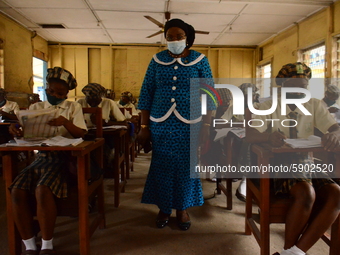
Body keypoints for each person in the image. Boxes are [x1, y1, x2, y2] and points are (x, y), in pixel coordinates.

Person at [245, 62, 340, 255]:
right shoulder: (268, 106)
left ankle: (293, 253)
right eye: (292, 86)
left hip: (307, 163)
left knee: (336, 193)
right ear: (282, 86)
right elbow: (250, 135)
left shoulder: (314, 104)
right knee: (306, 192)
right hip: (278, 164)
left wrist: (335, 134)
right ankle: (290, 249)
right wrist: (268, 137)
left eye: (303, 87)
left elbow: (334, 128)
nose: (298, 91)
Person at [137, 18, 214, 231]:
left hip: (191, 123)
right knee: (161, 164)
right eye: (170, 37)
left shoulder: (200, 60)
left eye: (179, 36)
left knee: (186, 166)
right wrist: (144, 128)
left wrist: (207, 126)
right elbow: (146, 93)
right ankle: (164, 208)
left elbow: (209, 95)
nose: (174, 40)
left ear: (188, 37)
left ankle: (182, 208)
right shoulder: (156, 60)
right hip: (160, 122)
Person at [8, 67, 87, 255]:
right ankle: (29, 245)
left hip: (64, 158)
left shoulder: (72, 107)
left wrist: (66, 123)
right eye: (51, 91)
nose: (54, 95)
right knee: (17, 189)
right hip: (40, 157)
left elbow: (82, 133)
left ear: (67, 93)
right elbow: (25, 132)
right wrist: (16, 130)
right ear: (46, 88)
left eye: (60, 93)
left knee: (42, 189)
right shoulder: (36, 108)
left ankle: (46, 244)